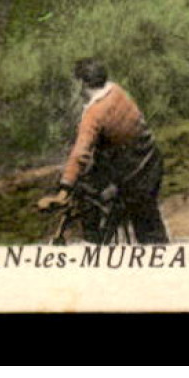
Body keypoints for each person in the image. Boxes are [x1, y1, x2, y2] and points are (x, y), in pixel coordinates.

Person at [36, 58, 168, 243]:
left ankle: (94, 242)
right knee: (149, 223)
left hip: (132, 175)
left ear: (81, 83)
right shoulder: (116, 91)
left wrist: (64, 190)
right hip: (150, 161)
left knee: (86, 191)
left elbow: (80, 154)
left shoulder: (93, 114)